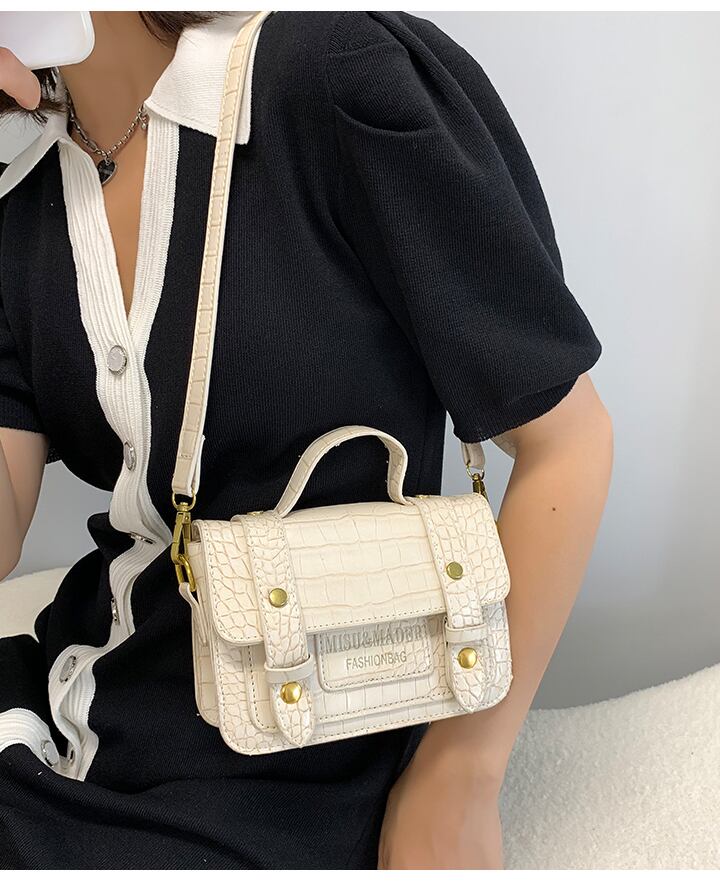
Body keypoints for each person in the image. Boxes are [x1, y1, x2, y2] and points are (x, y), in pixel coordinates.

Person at [0, 10, 613, 870]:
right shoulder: (23, 192)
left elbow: (569, 444)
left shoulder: (330, 77)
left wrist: (461, 774)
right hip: (69, 700)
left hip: (301, 754)